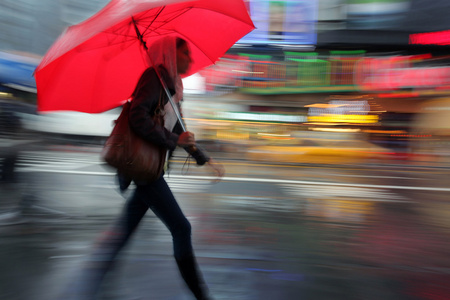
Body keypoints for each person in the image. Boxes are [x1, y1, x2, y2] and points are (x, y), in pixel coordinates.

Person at [64, 36, 225, 300]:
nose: (191, 59)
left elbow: (180, 131)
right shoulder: (154, 77)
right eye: (186, 54)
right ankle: (201, 294)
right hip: (144, 169)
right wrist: (175, 140)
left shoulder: (173, 86)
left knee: (126, 229)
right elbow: (138, 116)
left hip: (150, 169)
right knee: (182, 228)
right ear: (172, 56)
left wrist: (205, 160)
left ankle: (93, 280)